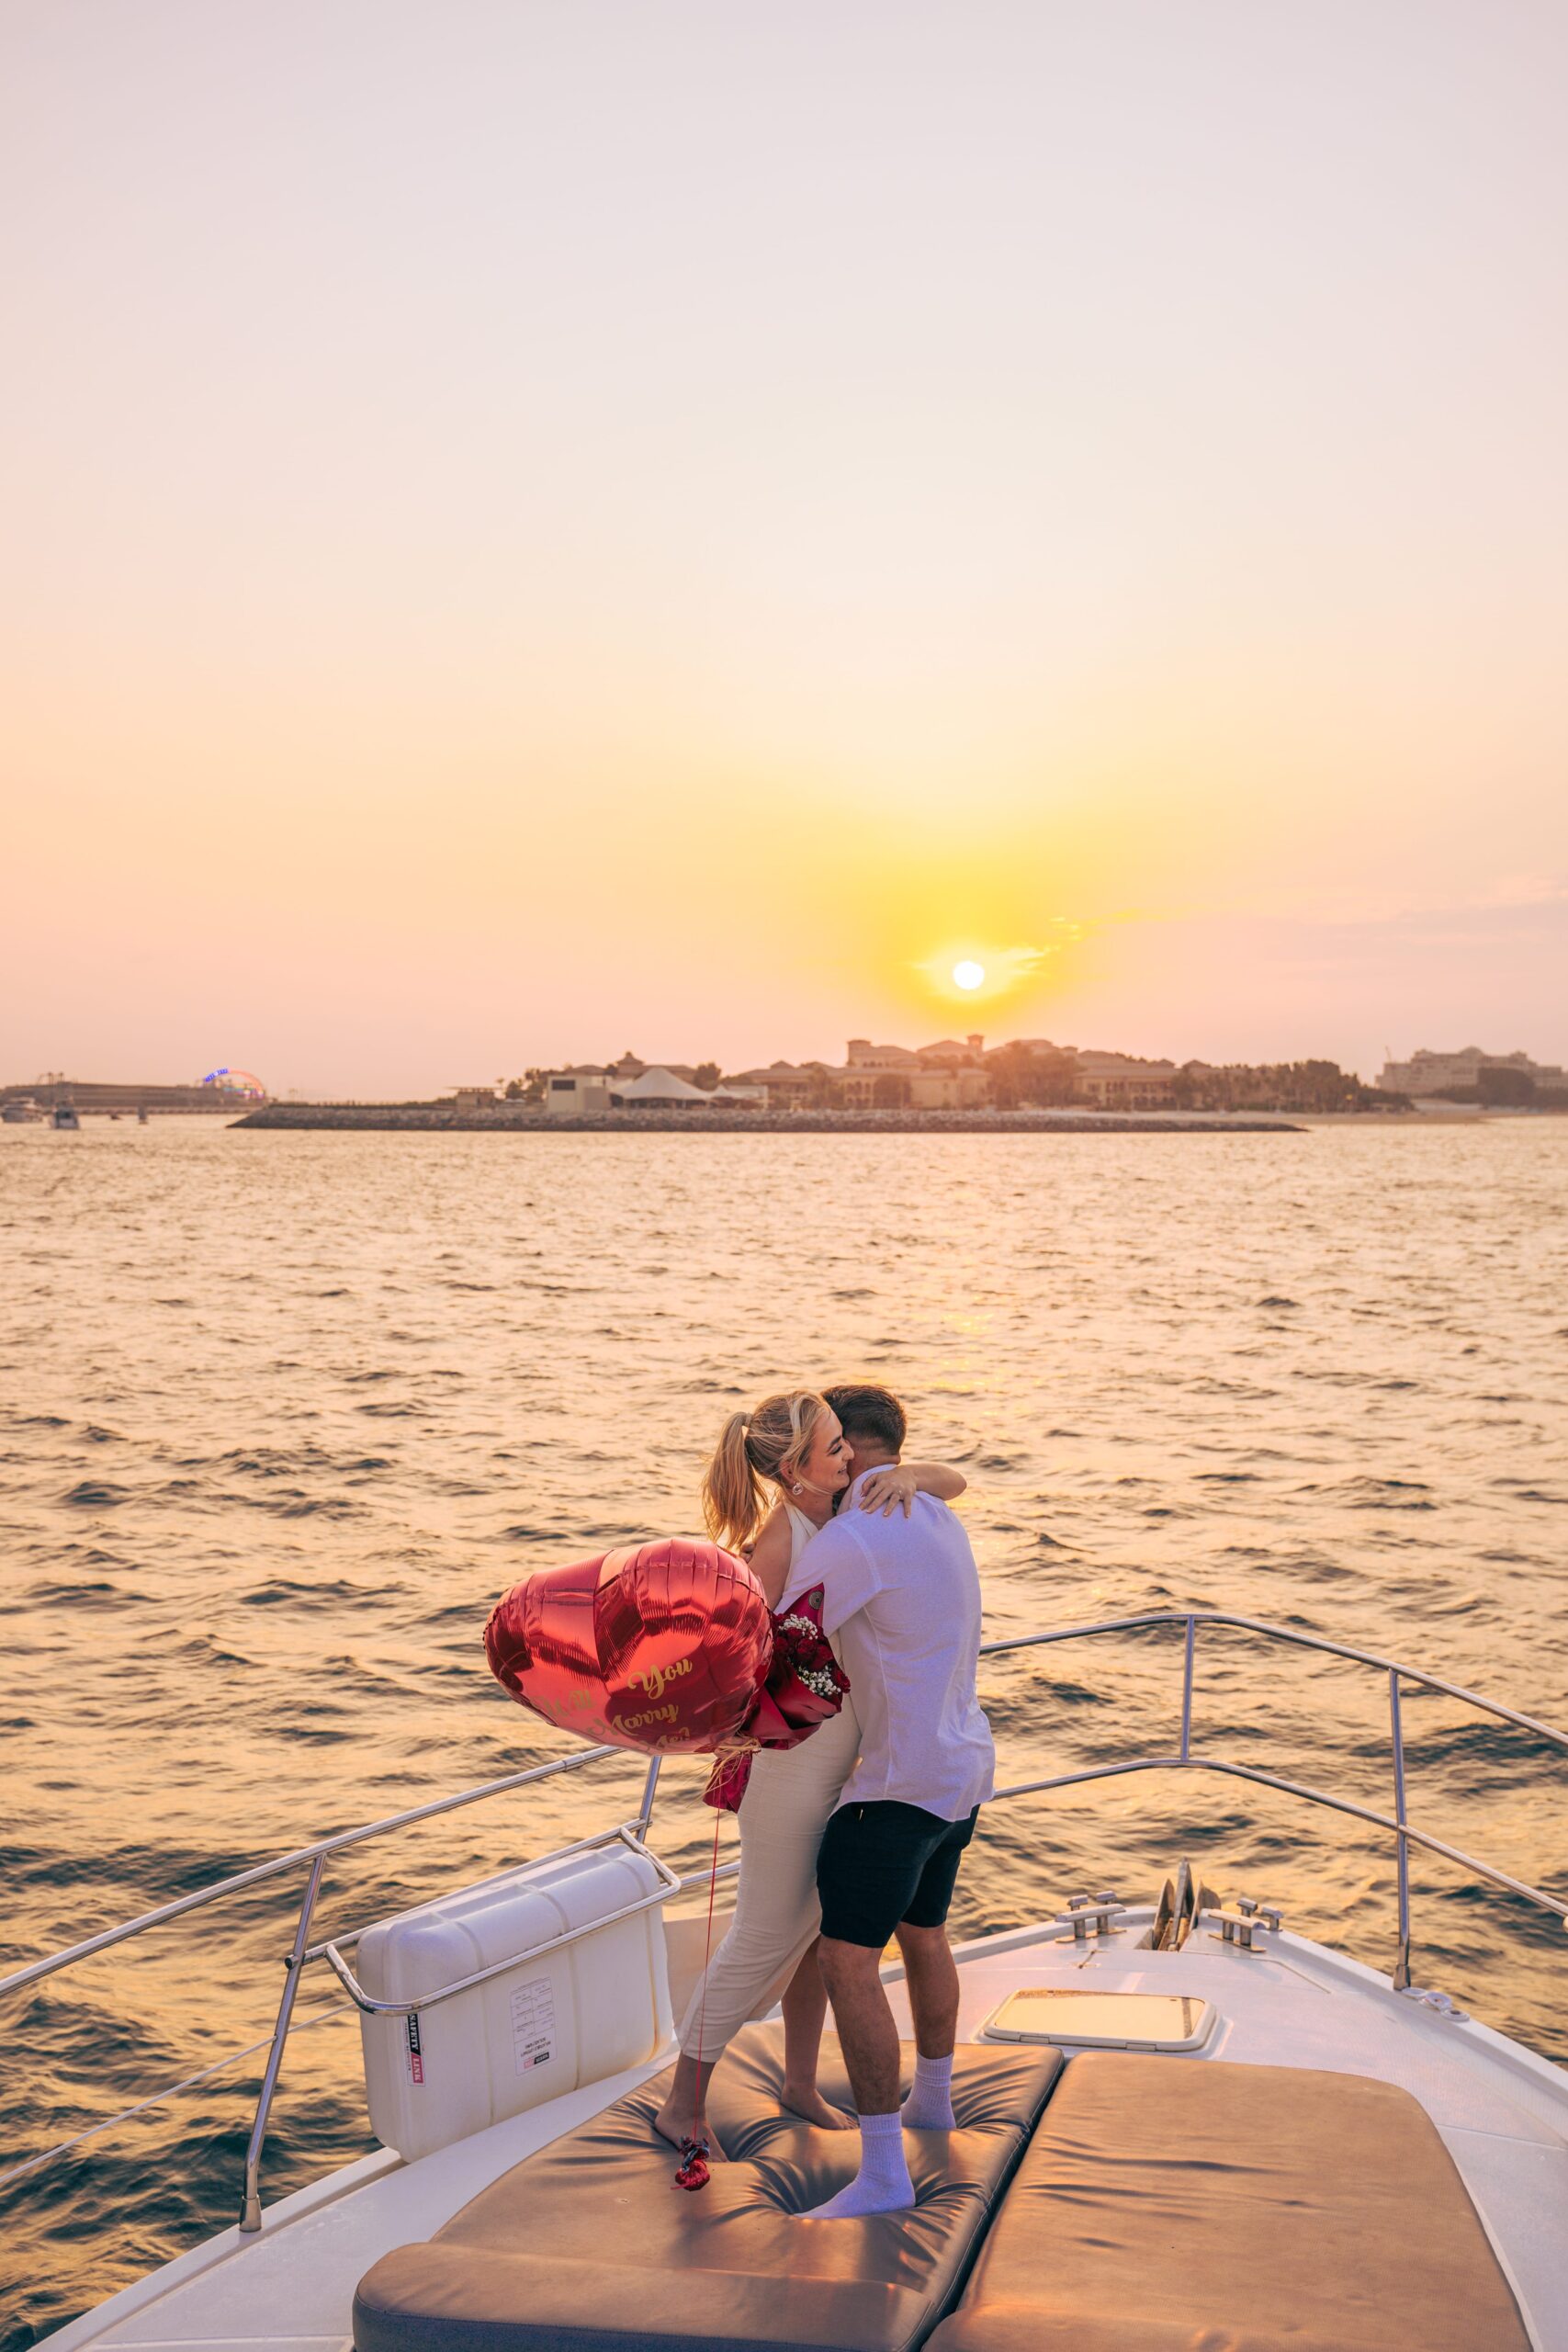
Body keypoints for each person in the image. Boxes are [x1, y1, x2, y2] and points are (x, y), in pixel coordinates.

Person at [652, 1386, 965, 2154]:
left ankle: (799, 2081)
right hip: (794, 1763)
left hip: (846, 1760)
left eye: (844, 1443)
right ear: (795, 1468)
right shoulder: (784, 1541)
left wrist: (913, 1474)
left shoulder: (846, 1516)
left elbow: (951, 1481)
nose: (848, 1456)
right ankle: (681, 2103)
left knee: (818, 1926)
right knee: (764, 1935)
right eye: (833, 1447)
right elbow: (742, 1658)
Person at [776, 1383, 995, 2219]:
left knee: (845, 1962)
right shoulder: (933, 1512)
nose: (829, 1459)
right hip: (961, 1769)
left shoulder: (857, 1536)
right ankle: (931, 2104)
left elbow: (774, 1633)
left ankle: (881, 2177)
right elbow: (950, 1480)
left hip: (895, 1788)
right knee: (923, 1933)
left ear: (856, 1450)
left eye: (834, 1444)